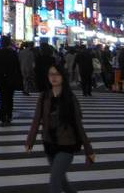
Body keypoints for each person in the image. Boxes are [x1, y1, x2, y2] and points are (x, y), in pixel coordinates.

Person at [25, 64, 95, 193]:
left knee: (54, 182)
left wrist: (88, 149)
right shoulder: (44, 96)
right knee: (63, 182)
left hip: (66, 145)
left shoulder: (70, 98)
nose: (54, 77)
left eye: (57, 74)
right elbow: (36, 120)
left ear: (63, 76)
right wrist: (30, 140)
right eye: (51, 74)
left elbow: (79, 125)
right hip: (49, 143)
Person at [0, 35, 21, 124]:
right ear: (8, 43)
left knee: (2, 97)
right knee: (10, 98)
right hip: (11, 78)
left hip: (1, 79)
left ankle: (2, 116)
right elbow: (17, 67)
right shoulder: (13, 53)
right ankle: (9, 115)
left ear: (0, 43)